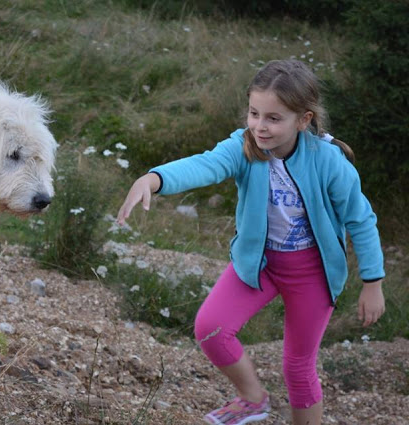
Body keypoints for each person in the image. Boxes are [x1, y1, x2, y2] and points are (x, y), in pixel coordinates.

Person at [116, 59, 385, 425]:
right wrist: (153, 179)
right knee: (210, 329)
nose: (260, 125)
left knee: (298, 367)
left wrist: (373, 282)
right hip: (259, 264)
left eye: (274, 118)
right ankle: (252, 397)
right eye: (254, 113)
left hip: (312, 275)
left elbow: (361, 219)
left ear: (303, 120)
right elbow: (203, 165)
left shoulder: (329, 162)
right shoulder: (244, 147)